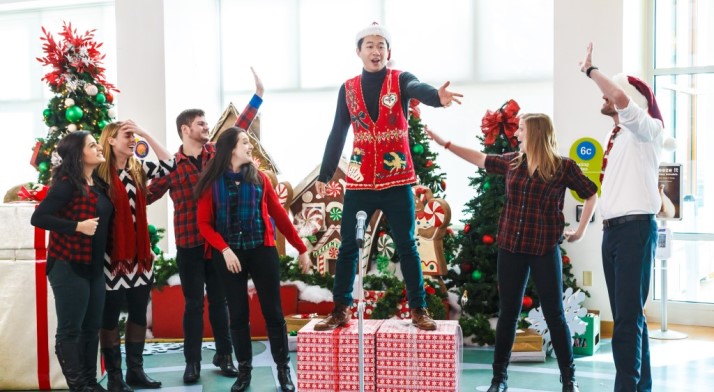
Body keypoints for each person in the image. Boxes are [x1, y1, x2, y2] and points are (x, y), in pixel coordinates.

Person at [426, 113, 598, 392]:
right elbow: (479, 158)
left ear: (535, 134)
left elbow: (591, 193)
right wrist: (446, 143)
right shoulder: (513, 162)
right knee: (508, 313)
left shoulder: (563, 167)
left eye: (522, 129)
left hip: (543, 248)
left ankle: (569, 380)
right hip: (511, 249)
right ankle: (499, 379)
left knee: (555, 314)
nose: (517, 133)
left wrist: (580, 231)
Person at [313, 22, 463, 332]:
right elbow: (337, 132)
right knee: (348, 249)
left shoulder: (400, 80)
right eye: (369, 45)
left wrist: (438, 96)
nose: (376, 51)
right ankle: (341, 309)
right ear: (359, 51)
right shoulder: (349, 88)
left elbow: (421, 89)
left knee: (407, 245)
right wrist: (326, 173)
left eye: (381, 46)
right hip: (359, 181)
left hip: (397, 181)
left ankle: (419, 310)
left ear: (388, 51)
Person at [147, 68, 263, 384]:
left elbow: (238, 128)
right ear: (186, 129)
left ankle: (224, 355)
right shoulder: (172, 166)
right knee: (194, 305)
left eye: (206, 122)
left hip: (217, 243)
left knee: (220, 302)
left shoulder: (216, 154)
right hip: (188, 245)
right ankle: (192, 363)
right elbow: (146, 196)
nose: (207, 126)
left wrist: (258, 97)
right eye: (200, 123)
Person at [195, 127, 311, 392]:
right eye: (245, 142)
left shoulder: (260, 178)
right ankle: (244, 371)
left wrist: (301, 248)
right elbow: (204, 224)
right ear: (231, 148)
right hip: (229, 255)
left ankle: (284, 370)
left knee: (273, 313)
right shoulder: (211, 183)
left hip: (261, 250)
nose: (250, 146)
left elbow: (280, 216)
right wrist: (224, 250)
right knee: (237, 315)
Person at [580, 42, 664, 392]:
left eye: (610, 92)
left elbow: (620, 96)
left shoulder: (646, 129)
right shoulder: (613, 133)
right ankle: (639, 387)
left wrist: (590, 71)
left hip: (634, 229)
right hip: (613, 232)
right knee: (630, 318)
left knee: (627, 321)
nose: (604, 96)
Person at [31, 131, 113, 392]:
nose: (99, 147)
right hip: (68, 265)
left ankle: (90, 383)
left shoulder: (97, 184)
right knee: (70, 330)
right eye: (92, 145)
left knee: (91, 329)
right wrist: (76, 226)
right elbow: (39, 218)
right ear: (79, 154)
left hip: (94, 267)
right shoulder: (66, 184)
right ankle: (78, 387)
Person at [97, 120, 175, 391]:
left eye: (133, 136)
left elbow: (169, 164)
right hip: (111, 258)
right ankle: (116, 377)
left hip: (140, 257)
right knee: (109, 318)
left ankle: (136, 371)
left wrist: (145, 133)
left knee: (139, 313)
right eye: (127, 136)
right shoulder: (98, 174)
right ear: (110, 140)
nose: (132, 140)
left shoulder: (137, 170)